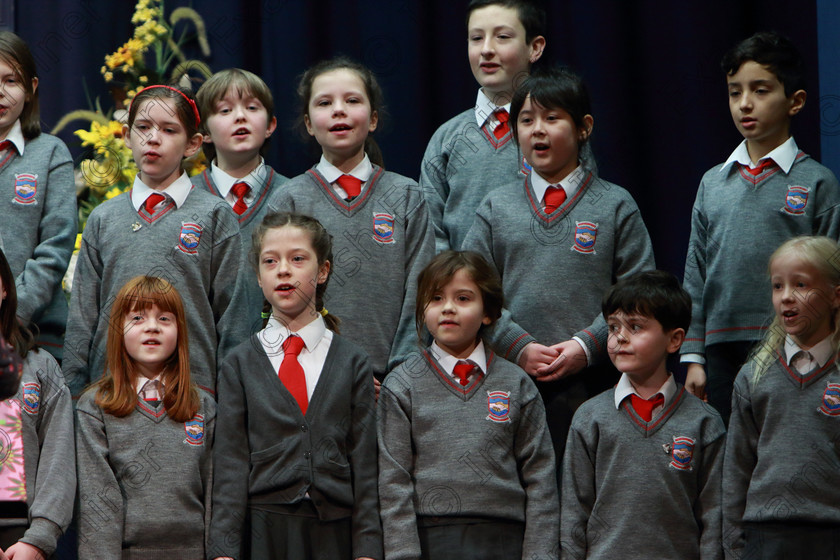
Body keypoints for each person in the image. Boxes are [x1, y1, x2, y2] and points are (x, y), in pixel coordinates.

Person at [463, 66, 654, 463]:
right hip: (509, 378)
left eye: (552, 118)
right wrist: (519, 345)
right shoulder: (496, 207)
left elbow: (641, 291)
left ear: (583, 127)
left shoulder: (616, 205)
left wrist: (586, 345)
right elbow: (470, 291)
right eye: (526, 120)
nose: (537, 130)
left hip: (597, 380)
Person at [682, 31, 840, 425]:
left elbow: (832, 274)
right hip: (721, 349)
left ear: (795, 101)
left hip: (794, 342)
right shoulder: (712, 183)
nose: (745, 104)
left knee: (784, 445)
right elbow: (695, 274)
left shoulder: (817, 182)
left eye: (761, 90)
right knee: (726, 454)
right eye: (735, 92)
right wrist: (694, 357)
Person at [209, 212, 381, 560]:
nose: (283, 270)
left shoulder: (352, 362)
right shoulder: (239, 363)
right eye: (270, 261)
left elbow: (365, 466)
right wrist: (223, 550)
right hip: (264, 530)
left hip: (335, 531)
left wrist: (367, 549)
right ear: (258, 277)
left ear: (323, 271)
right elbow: (230, 463)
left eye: (297, 259)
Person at [63, 84, 245, 396]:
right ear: (126, 135)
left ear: (193, 143)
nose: (153, 138)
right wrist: (77, 396)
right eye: (143, 127)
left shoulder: (215, 215)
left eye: (169, 129)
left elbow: (232, 319)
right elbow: (82, 319)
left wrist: (231, 406)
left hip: (192, 397)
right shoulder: (103, 219)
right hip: (111, 394)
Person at [378, 250, 559, 560]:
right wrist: (402, 554)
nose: (448, 308)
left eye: (463, 298)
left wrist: (539, 555)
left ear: (488, 312)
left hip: (504, 538)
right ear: (421, 310)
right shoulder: (402, 384)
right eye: (435, 298)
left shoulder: (516, 384)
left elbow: (541, 477)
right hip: (430, 537)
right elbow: (393, 480)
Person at [266, 57, 435, 381]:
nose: (339, 110)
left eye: (352, 100)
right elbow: (281, 295)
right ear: (309, 124)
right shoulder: (289, 199)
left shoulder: (407, 195)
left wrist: (400, 375)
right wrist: (324, 371)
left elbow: (421, 289)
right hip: (313, 378)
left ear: (372, 119)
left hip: (394, 383)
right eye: (325, 102)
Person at [561, 270, 725, 560]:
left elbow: (714, 516)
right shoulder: (589, 418)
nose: (619, 338)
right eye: (613, 327)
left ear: (674, 340)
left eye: (635, 327)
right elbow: (574, 511)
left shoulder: (704, 422)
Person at [75, 276, 214, 559]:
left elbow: (216, 494)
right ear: (118, 331)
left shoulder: (204, 406)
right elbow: (97, 499)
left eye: (164, 318)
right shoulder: (95, 407)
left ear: (180, 331)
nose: (152, 326)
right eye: (137, 317)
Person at [723, 236, 840, 559]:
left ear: (835, 296)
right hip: (766, 535)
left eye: (800, 285)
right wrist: (734, 549)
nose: (786, 297)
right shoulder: (753, 376)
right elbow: (736, 470)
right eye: (778, 286)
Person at [419, 0, 546, 252]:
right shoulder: (447, 137)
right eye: (476, 38)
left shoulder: (557, 132)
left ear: (535, 48)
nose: (486, 49)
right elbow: (430, 231)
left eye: (502, 36)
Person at [194, 68, 288, 334]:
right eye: (224, 111)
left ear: (270, 125)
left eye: (252, 107)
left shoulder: (294, 196)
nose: (240, 116)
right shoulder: (185, 198)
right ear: (204, 133)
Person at [0, 31, 76, 361]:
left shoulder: (50, 153)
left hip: (34, 335)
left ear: (30, 89)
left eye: (11, 80)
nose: (0, 92)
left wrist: (14, 312)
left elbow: (56, 246)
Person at [0, 247, 74, 559]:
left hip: (24, 537)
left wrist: (39, 538)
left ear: (4, 288)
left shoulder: (39, 367)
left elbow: (59, 460)